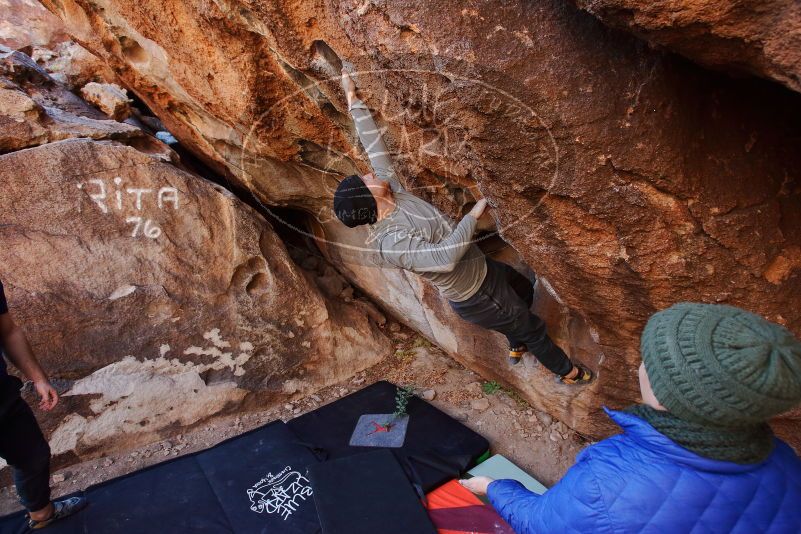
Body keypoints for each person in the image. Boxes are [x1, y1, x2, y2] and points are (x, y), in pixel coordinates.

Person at [333, 69, 592, 384]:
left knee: (523, 288)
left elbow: (375, 148)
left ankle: (516, 337)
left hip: (483, 270)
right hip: (478, 294)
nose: (371, 175)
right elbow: (444, 257)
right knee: (531, 326)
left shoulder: (394, 192)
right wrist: (473, 215)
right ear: (369, 199)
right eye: (366, 181)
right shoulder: (391, 242)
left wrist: (352, 98)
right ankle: (567, 373)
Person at [461, 302, 801, 533]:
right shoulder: (783, 460)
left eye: (649, 362)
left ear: (668, 394)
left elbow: (541, 524)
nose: (640, 365)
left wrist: (496, 488)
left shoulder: (609, 478)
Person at [0, 280, 87, 529]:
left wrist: (38, 379)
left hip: (1, 395)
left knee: (33, 456)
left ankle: (42, 514)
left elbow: (7, 331)